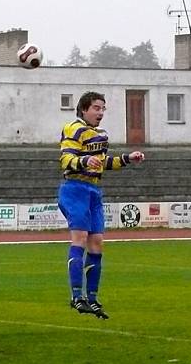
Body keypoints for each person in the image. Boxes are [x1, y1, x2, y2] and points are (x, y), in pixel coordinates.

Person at [57, 91, 144, 319]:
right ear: (84, 109)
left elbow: (102, 163)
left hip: (94, 191)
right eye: (96, 108)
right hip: (75, 188)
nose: (100, 113)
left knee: (97, 244)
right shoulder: (73, 128)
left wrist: (127, 159)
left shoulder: (101, 135)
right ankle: (77, 296)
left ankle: (92, 299)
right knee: (80, 238)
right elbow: (66, 159)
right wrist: (84, 160)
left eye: (103, 108)